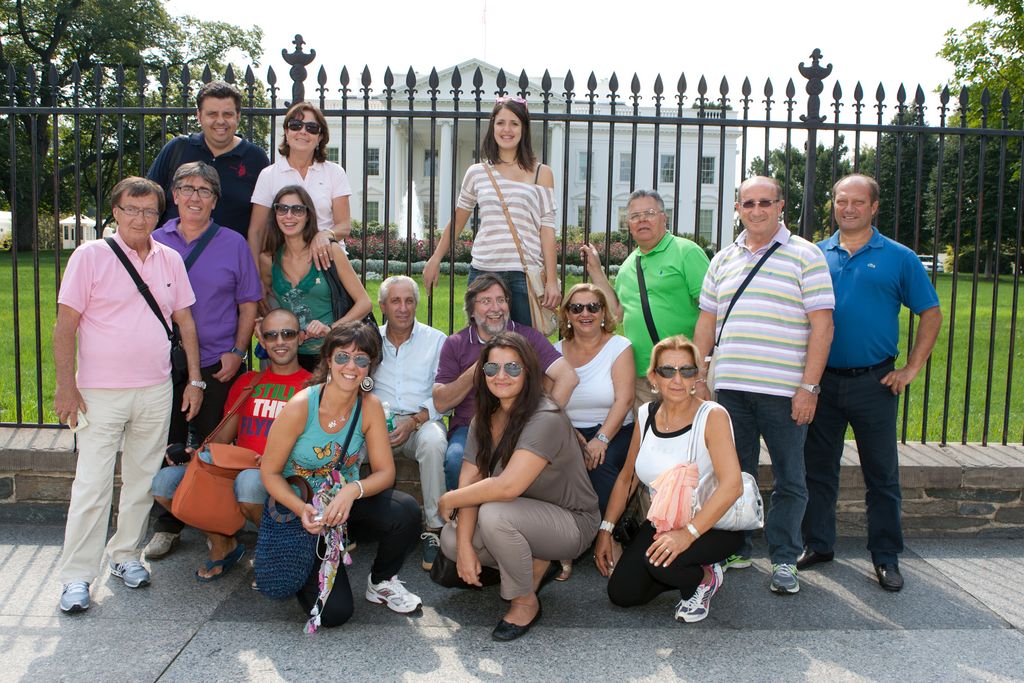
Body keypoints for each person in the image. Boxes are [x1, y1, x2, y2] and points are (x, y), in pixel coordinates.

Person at [53, 177, 202, 613]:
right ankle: (77, 575)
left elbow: (185, 322)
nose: (140, 218)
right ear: (116, 212)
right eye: (132, 209)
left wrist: (195, 380)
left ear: (159, 215)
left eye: (149, 211)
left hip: (155, 388)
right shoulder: (89, 256)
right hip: (99, 391)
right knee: (92, 484)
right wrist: (65, 386)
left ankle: (124, 555)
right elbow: (66, 325)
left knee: (141, 480)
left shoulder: (170, 259)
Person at [692, 175, 834, 596]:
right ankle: (737, 548)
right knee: (735, 474)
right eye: (748, 203)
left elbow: (823, 327)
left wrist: (809, 388)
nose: (756, 210)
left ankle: (785, 557)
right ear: (737, 208)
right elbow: (706, 323)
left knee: (791, 477)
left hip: (785, 392)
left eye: (765, 202)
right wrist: (699, 377)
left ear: (781, 206)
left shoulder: (805, 255)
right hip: (732, 389)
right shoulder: (722, 259)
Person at [801, 174, 942, 592]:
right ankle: (818, 544)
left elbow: (931, 313)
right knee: (818, 471)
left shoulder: (899, 257)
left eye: (858, 202)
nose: (848, 208)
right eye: (841, 201)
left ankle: (885, 556)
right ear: (832, 204)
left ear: (874, 207)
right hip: (822, 383)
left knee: (882, 475)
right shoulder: (813, 255)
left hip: (875, 382)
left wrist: (911, 369)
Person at [436, 332, 600, 642]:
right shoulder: (484, 419)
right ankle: (535, 561)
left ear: (528, 371)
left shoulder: (546, 417)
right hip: (523, 513)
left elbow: (507, 487)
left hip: (571, 521)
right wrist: (466, 547)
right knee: (452, 540)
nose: (501, 376)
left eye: (512, 367)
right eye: (491, 368)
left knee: (495, 515)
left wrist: (450, 499)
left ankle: (525, 602)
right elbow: (471, 481)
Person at [261, 322, 423, 627]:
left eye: (361, 359)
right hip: (303, 511)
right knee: (334, 614)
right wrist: (301, 509)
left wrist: (352, 491)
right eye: (342, 357)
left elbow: (385, 473)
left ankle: (381, 581)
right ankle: (303, 561)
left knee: (405, 511)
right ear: (328, 360)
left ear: (370, 367)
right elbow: (269, 474)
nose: (351, 366)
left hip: (342, 506)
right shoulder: (301, 406)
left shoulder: (370, 407)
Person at [144, 161, 262, 559]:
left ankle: (219, 524)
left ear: (215, 200)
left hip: (217, 362)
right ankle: (168, 524)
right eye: (188, 189)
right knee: (167, 442)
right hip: (161, 361)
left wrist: (238, 352)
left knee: (214, 448)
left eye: (205, 191)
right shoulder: (153, 239)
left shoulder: (233, 243)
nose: (196, 197)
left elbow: (249, 303)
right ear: (174, 195)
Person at [149, 309, 313, 580]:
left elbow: (317, 444)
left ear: (301, 338)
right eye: (271, 335)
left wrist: (278, 459)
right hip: (240, 470)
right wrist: (194, 455)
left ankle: (276, 549)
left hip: (285, 475)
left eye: (288, 334)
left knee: (249, 482)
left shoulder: (312, 387)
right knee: (164, 483)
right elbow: (222, 437)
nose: (280, 341)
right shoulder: (249, 382)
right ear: (262, 341)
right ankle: (223, 543)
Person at [595, 335, 743, 623]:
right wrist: (605, 529)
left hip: (712, 525)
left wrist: (687, 534)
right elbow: (627, 478)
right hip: (663, 521)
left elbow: (732, 486)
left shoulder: (712, 416)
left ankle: (705, 578)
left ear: (697, 375)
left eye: (686, 370)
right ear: (653, 376)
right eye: (667, 370)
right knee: (622, 593)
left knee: (660, 564)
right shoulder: (646, 414)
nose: (677, 379)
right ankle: (677, 567)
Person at [423, 96, 560, 328]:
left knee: (524, 344)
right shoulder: (477, 172)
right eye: (501, 123)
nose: (507, 129)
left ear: (524, 129)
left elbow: (547, 229)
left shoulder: (541, 173)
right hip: (483, 271)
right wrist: (435, 258)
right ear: (492, 127)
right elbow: (458, 221)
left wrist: (552, 280)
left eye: (514, 123)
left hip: (524, 274)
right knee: (481, 342)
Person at [433, 273, 578, 492]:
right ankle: (462, 510)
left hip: (519, 426)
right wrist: (484, 363)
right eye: (486, 301)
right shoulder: (456, 343)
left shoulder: (528, 337)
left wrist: (540, 422)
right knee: (455, 461)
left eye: (501, 300)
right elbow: (441, 402)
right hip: (470, 427)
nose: (496, 308)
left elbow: (568, 377)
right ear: (471, 310)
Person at [583, 189, 710, 407]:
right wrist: (596, 271)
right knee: (648, 429)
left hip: (684, 372)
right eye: (634, 216)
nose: (642, 220)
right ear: (629, 225)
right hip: (644, 376)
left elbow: (711, 311)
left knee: (689, 428)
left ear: (664, 217)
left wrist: (699, 373)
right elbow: (617, 313)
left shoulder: (686, 252)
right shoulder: (627, 267)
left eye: (649, 213)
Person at [553, 283, 636, 581]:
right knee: (558, 466)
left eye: (593, 307)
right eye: (576, 308)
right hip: (569, 431)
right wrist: (571, 435)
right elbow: (550, 403)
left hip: (614, 429)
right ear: (567, 314)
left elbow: (624, 399)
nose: (585, 313)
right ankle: (564, 543)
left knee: (600, 464)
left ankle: (608, 534)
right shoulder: (555, 351)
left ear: (603, 312)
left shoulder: (619, 347)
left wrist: (601, 438)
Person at [371, 276, 449, 571]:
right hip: (377, 423)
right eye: (395, 301)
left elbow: (446, 394)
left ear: (416, 304)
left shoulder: (436, 340)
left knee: (434, 441)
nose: (403, 308)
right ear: (382, 306)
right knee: (347, 443)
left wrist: (415, 421)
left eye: (409, 301)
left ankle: (434, 528)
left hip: (421, 420)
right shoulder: (370, 340)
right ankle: (345, 522)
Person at [259, 184, 371, 371]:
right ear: (275, 214)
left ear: (308, 215)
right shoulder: (269, 259)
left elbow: (364, 303)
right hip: (291, 359)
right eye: (282, 209)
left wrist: (331, 328)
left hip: (332, 354)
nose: (289, 216)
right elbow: (266, 303)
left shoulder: (330, 251)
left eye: (297, 209)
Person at [147, 80, 270, 236]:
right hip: (170, 249)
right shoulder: (177, 149)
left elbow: (262, 224)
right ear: (199, 116)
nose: (220, 121)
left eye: (227, 114)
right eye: (212, 114)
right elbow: (148, 201)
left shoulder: (256, 159)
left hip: (230, 251)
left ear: (238, 116)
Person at [248, 101, 351, 270]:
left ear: (320, 137)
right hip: (283, 266)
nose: (303, 131)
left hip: (328, 263)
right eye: (296, 125)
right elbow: (256, 231)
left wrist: (325, 235)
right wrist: (254, 274)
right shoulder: (268, 175)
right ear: (286, 132)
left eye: (312, 128)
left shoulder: (334, 172)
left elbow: (344, 225)